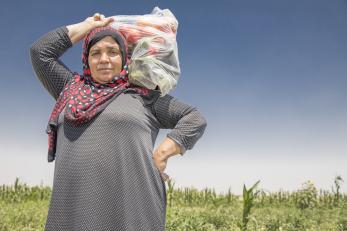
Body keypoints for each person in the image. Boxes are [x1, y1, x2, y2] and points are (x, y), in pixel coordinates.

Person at [30, 13, 207, 231]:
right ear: (86, 59)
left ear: (125, 58)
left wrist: (162, 154)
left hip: (131, 205)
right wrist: (89, 26)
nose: (104, 59)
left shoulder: (143, 96)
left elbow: (194, 118)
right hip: (73, 206)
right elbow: (40, 52)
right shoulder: (70, 89)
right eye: (96, 53)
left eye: (113, 52)